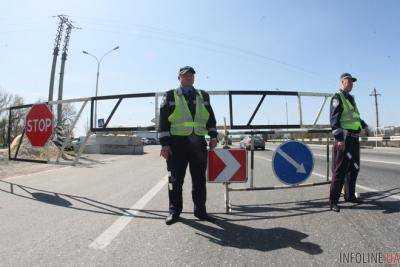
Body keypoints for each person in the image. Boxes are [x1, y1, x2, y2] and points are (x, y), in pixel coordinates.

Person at [158, 66, 218, 225]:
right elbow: (163, 121)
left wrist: (213, 136)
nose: (189, 77)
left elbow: (210, 118)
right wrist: (164, 144)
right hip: (177, 144)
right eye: (185, 75)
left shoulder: (203, 95)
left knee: (199, 180)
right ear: (179, 78)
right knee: (175, 180)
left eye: (191, 75)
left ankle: (200, 211)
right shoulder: (171, 95)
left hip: (198, 143)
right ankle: (174, 211)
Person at [329, 73, 369, 212]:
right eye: (349, 81)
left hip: (354, 139)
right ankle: (333, 201)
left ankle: (350, 195)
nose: (351, 83)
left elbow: (355, 117)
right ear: (342, 82)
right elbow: (334, 121)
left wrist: (364, 125)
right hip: (344, 139)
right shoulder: (337, 97)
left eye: (352, 82)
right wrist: (339, 139)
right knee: (340, 170)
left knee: (355, 167)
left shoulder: (351, 99)